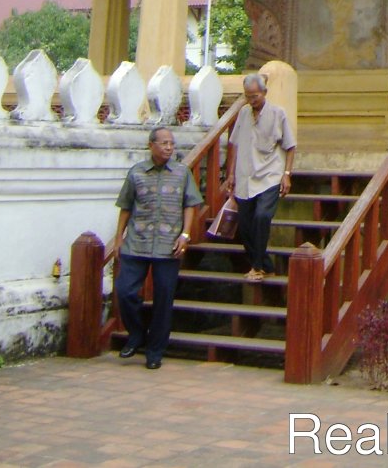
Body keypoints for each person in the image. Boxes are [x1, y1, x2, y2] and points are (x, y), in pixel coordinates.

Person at [114, 126, 202, 369]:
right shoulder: (137, 173)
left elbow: (191, 204)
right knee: (125, 291)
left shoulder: (182, 173)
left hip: (168, 245)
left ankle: (155, 351)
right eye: (164, 143)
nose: (169, 147)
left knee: (164, 299)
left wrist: (185, 234)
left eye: (171, 144)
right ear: (151, 145)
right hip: (137, 242)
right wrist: (118, 238)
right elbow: (126, 206)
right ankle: (136, 333)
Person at [223, 72, 296, 280]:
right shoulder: (244, 114)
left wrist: (287, 174)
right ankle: (267, 265)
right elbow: (235, 144)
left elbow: (290, 146)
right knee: (245, 226)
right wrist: (230, 174)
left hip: (270, 176)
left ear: (264, 92)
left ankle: (257, 268)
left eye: (255, 96)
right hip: (245, 176)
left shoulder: (277, 113)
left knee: (262, 217)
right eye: (248, 96)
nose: (251, 100)